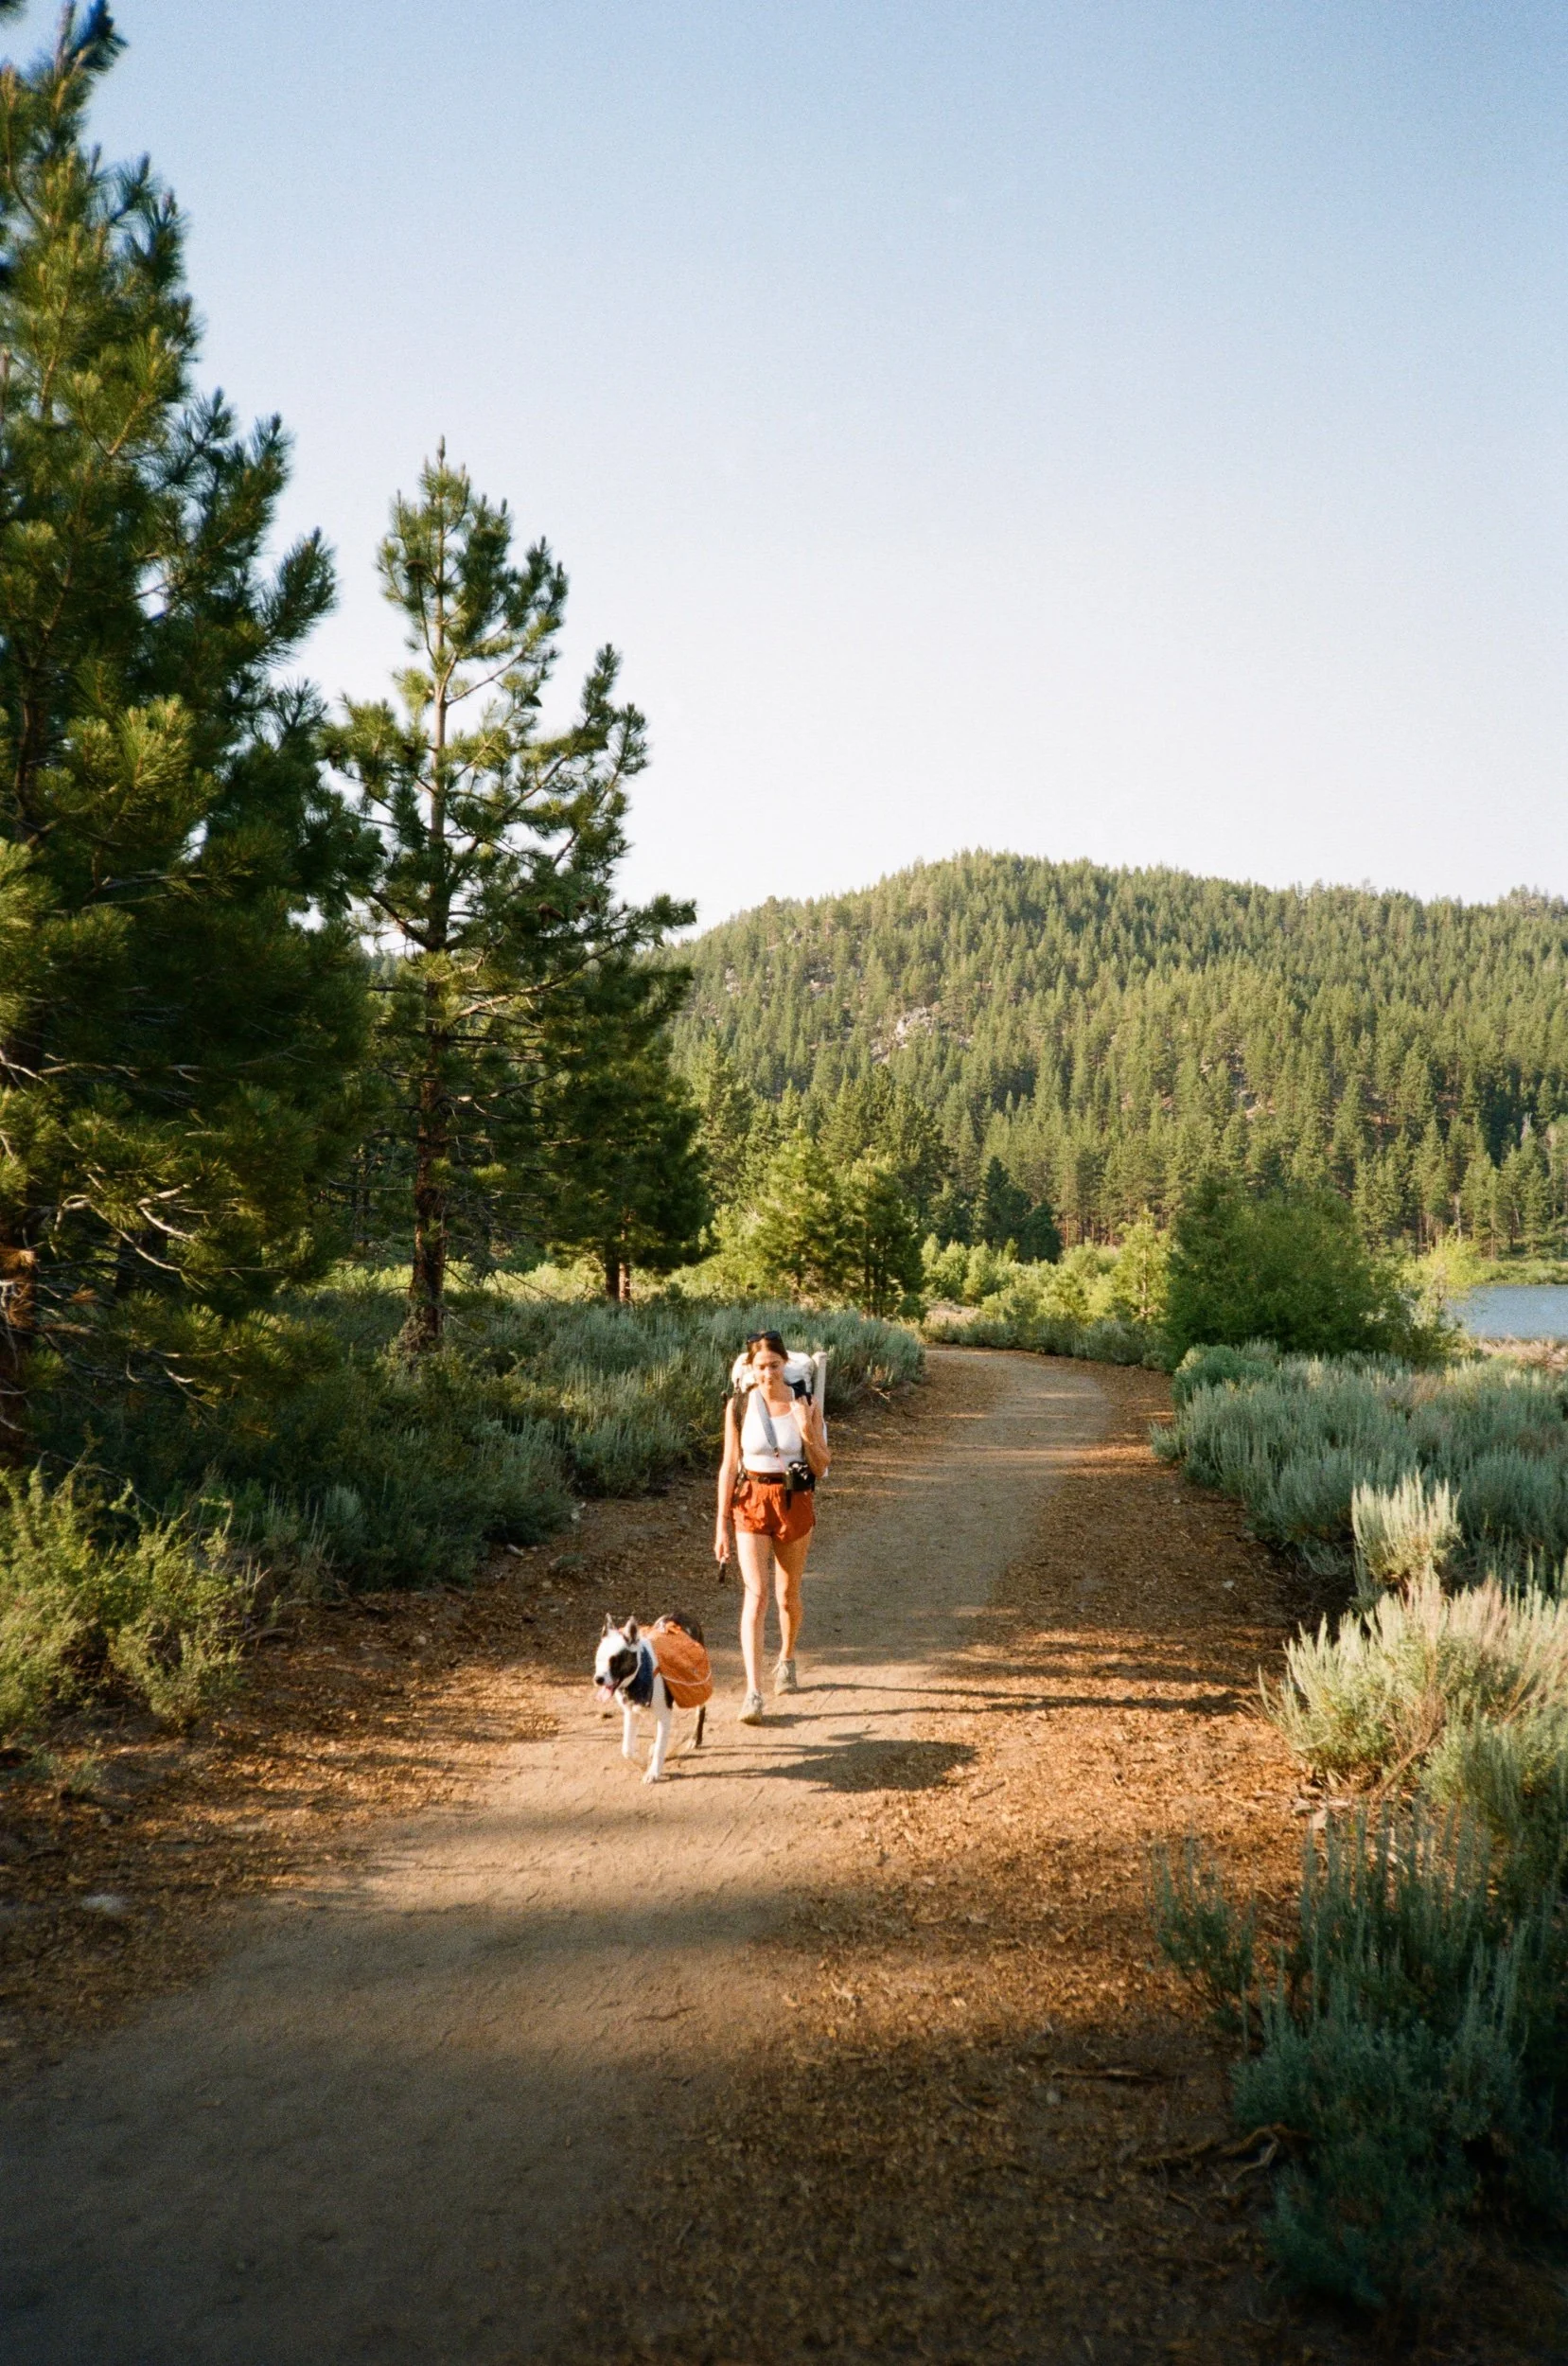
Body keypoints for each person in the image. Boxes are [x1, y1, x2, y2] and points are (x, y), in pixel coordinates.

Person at [714, 1329, 831, 1723]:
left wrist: (805, 1428)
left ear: (785, 1364)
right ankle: (753, 1692)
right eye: (761, 1366)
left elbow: (822, 1466)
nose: (768, 1373)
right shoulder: (738, 1406)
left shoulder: (806, 1403)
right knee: (757, 1595)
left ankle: (787, 1658)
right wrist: (721, 1526)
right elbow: (729, 1465)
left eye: (775, 1365)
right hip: (750, 1500)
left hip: (794, 1501)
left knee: (787, 1594)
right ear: (751, 1368)